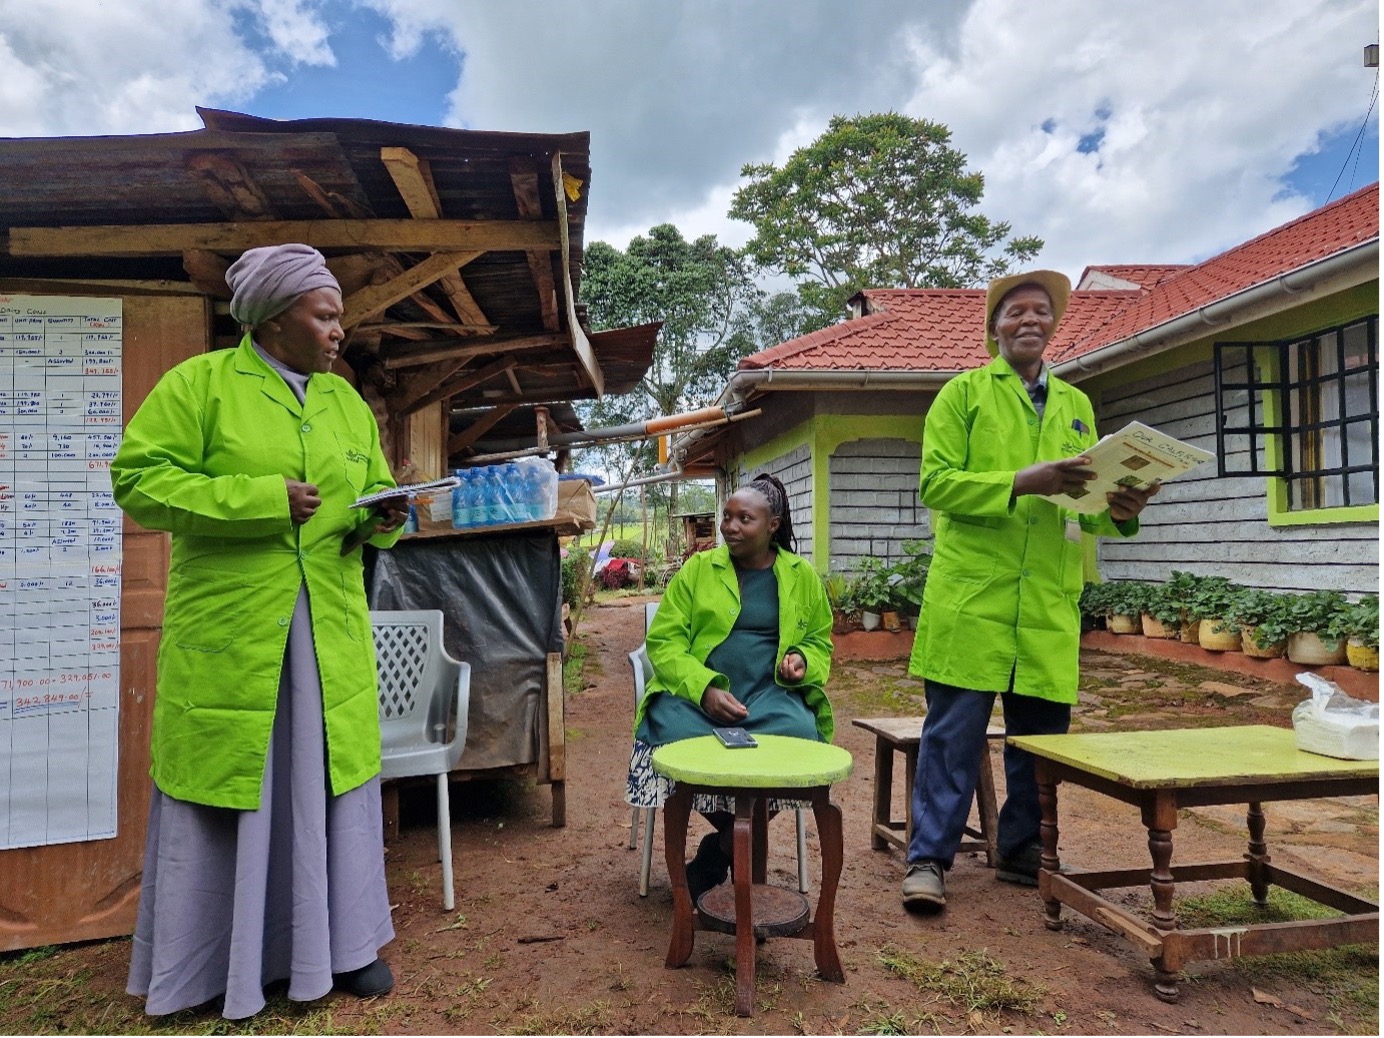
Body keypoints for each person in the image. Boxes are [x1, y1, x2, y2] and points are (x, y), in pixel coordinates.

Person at [112, 244, 410, 1018]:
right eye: (325, 314)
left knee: (328, 785)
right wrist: (259, 497)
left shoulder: (346, 403)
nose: (339, 330)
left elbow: (366, 498)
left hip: (327, 630)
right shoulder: (201, 386)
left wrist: (385, 517)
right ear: (277, 318)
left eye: (339, 315)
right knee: (234, 786)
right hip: (236, 631)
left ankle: (343, 949)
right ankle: (214, 964)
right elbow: (137, 482)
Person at [901, 270, 1158, 910]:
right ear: (994, 328)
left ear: (1053, 325)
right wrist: (1023, 479)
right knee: (952, 738)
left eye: (1041, 311)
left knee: (1038, 742)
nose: (1029, 320)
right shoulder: (961, 396)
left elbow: (1088, 506)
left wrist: (1123, 506)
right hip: (973, 597)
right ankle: (928, 859)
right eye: (1015, 311)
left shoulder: (1075, 406)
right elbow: (936, 485)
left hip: (1045, 599)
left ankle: (1021, 853)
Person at [625, 473, 834, 902]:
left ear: (773, 525)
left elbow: (820, 640)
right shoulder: (699, 570)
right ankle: (739, 839)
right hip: (697, 699)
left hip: (768, 697)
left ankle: (718, 851)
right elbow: (664, 642)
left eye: (745, 519)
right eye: (727, 517)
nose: (731, 527)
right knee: (675, 738)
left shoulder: (801, 576)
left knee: (802, 735)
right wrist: (704, 690)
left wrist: (803, 661)